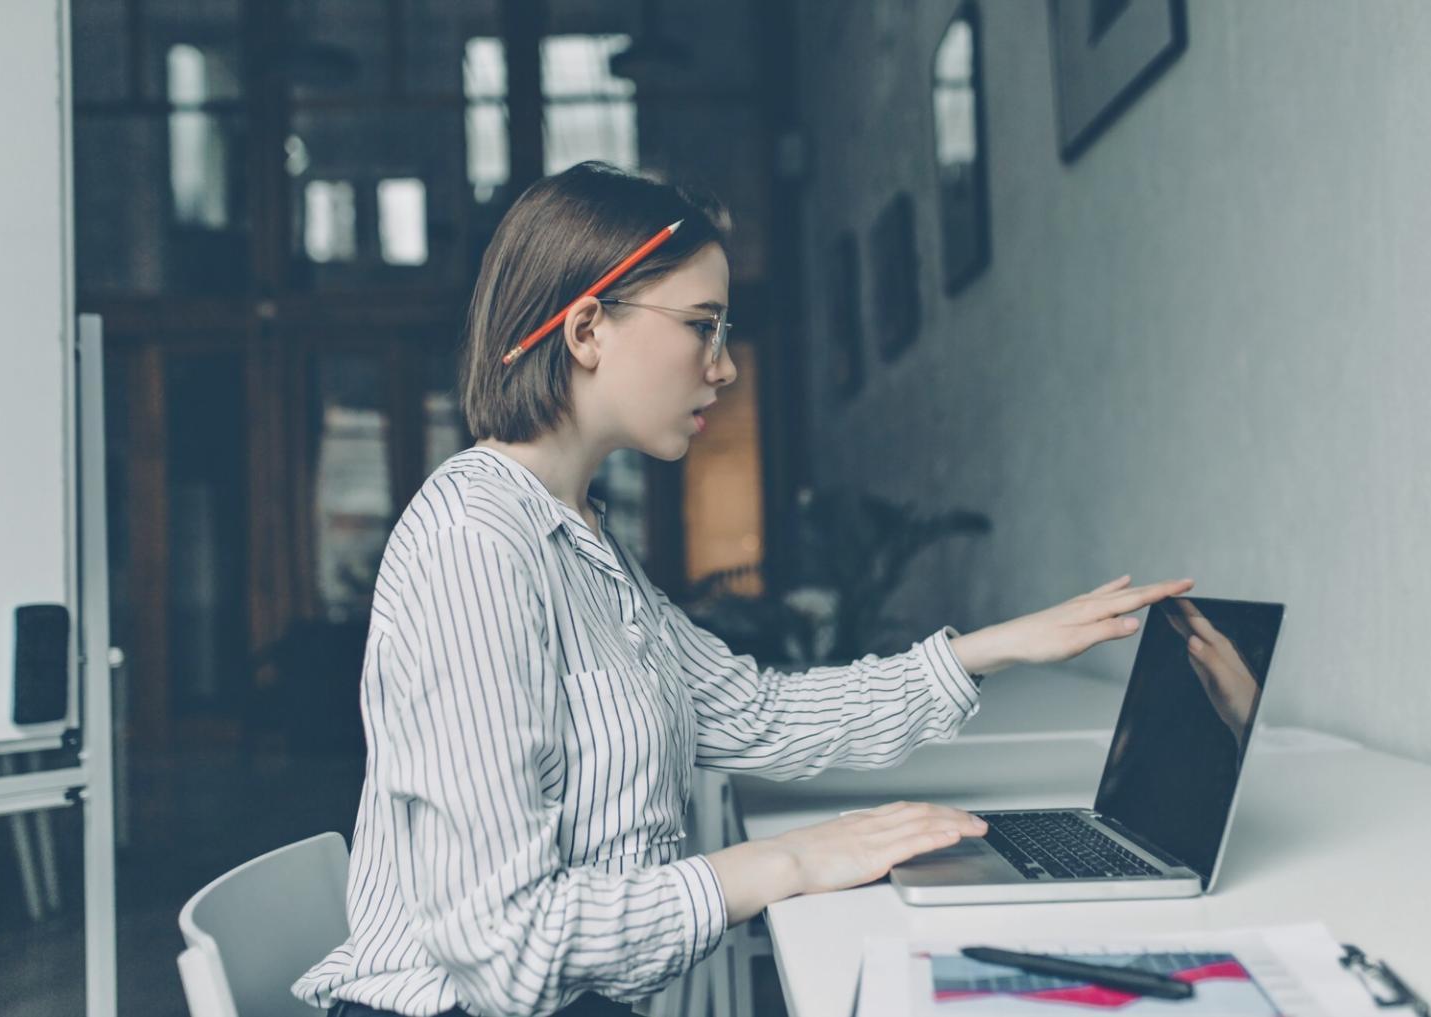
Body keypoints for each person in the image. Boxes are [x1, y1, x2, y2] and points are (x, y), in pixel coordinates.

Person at [293, 161, 1193, 1017]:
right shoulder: (475, 546)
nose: (722, 365)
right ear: (586, 328)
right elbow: (504, 951)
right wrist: (782, 863)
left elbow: (756, 715)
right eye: (701, 325)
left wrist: (990, 647)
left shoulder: (580, 542)